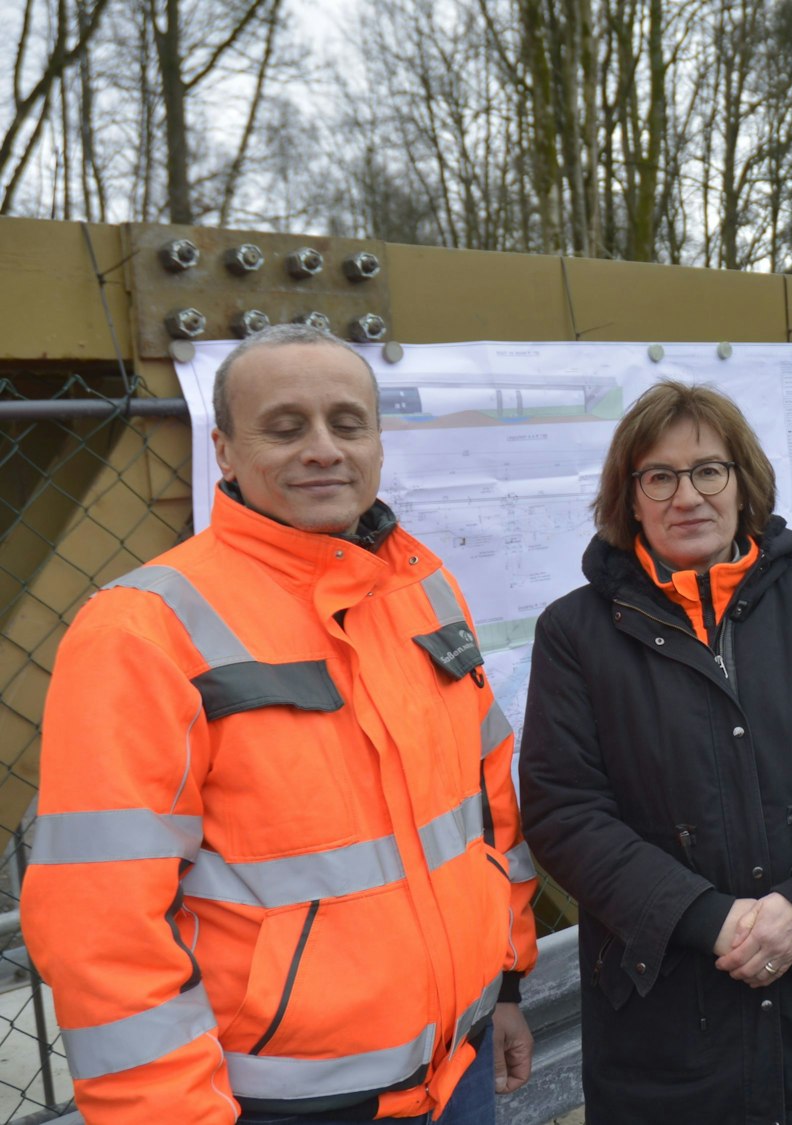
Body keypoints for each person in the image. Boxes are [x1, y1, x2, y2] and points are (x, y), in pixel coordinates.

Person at [23, 324, 540, 1123]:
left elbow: (484, 807)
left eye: (347, 422)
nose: (324, 449)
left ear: (376, 439)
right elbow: (102, 920)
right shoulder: (144, 629)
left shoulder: (421, 583)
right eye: (286, 427)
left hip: (459, 1067)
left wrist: (506, 980)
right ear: (224, 451)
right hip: (279, 1103)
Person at [519, 380, 792, 1124]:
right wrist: (709, 918)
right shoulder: (576, 633)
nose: (688, 494)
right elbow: (563, 810)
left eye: (709, 469)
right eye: (659, 476)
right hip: (672, 1011)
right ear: (629, 495)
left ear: (744, 482)